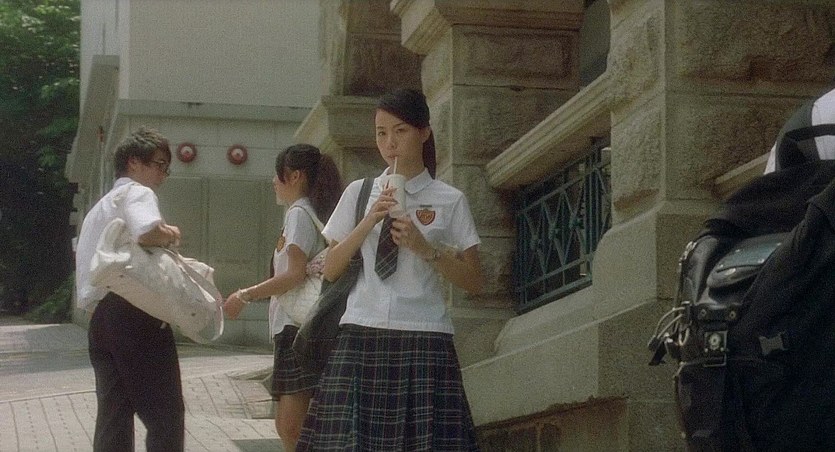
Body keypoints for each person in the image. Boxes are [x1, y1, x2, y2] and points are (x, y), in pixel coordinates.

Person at [296, 88, 485, 451]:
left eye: (400, 131)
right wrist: (369, 220)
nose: (389, 143)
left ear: (424, 132)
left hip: (424, 333)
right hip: (361, 330)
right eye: (381, 133)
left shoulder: (449, 199)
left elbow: (475, 281)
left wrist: (426, 250)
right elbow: (331, 269)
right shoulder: (359, 191)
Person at [223, 144, 342, 451]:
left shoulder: (299, 214)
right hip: (298, 328)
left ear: (295, 176)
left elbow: (294, 275)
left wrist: (245, 295)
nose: (273, 182)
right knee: (292, 425)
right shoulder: (308, 212)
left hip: (295, 329)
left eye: (278, 175)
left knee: (291, 427)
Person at [75, 126, 185, 451]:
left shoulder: (97, 210)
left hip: (100, 319)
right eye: (159, 164)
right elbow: (146, 232)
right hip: (135, 311)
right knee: (166, 416)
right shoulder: (137, 193)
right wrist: (171, 233)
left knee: (114, 418)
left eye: (166, 168)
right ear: (134, 163)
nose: (163, 174)